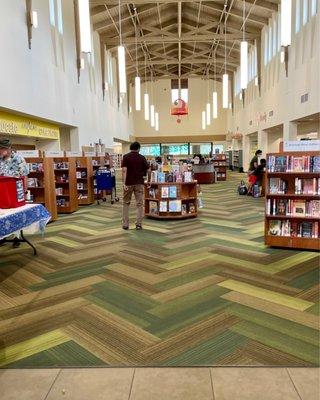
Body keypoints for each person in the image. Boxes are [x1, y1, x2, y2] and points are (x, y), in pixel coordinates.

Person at [121, 141, 149, 230]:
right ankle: (138, 224)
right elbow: (148, 170)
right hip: (139, 183)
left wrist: (124, 183)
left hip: (128, 183)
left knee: (126, 203)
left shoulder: (125, 157)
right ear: (138, 149)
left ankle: (125, 224)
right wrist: (147, 179)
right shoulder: (142, 158)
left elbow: (124, 171)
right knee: (139, 204)